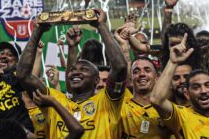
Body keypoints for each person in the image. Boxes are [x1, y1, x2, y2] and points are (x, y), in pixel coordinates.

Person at [17, 9, 128, 138]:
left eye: (84, 69)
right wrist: (37, 31)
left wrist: (101, 26)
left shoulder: (107, 101)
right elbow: (23, 75)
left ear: (96, 80)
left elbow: (120, 67)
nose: (76, 72)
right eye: (73, 69)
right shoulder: (53, 99)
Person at [151, 33, 209, 138]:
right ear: (187, 93)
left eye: (207, 85)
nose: (203, 91)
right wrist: (173, 62)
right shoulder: (183, 115)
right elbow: (157, 100)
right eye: (196, 87)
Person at [120, 57, 173, 138]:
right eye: (136, 71)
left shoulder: (167, 108)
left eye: (147, 70)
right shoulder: (120, 107)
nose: (142, 74)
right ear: (130, 80)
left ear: (157, 77)